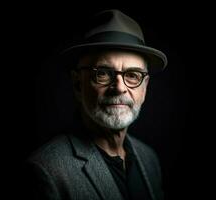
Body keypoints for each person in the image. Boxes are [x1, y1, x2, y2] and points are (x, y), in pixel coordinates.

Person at [26, 9, 168, 200]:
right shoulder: (46, 170)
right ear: (78, 84)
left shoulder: (149, 159)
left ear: (145, 87)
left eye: (133, 75)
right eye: (102, 73)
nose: (119, 88)